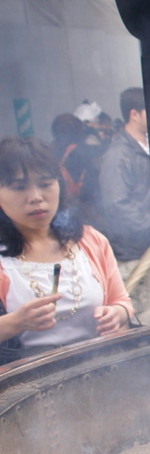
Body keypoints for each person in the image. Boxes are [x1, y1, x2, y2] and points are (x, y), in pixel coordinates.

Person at [0, 138, 133, 362]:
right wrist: (16, 322)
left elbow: (122, 301)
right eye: (19, 187)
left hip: (101, 368)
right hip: (25, 379)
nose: (36, 197)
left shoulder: (90, 240)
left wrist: (117, 314)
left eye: (45, 184)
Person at [97, 87, 150, 324]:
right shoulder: (118, 154)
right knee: (143, 318)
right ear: (134, 114)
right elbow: (116, 204)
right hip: (135, 251)